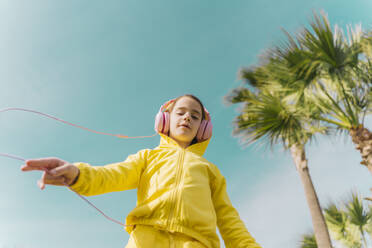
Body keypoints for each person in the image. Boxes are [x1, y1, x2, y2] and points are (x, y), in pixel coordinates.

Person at [21, 94, 261, 248]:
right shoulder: (147, 157)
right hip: (144, 241)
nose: (187, 116)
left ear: (202, 128)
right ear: (165, 120)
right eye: (181, 112)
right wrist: (77, 174)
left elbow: (230, 223)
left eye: (195, 116)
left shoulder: (210, 171)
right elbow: (112, 175)